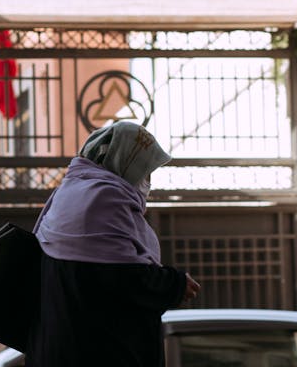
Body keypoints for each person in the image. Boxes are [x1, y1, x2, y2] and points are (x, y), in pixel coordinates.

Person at [26, 121, 200, 367]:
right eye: (145, 170)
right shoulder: (102, 200)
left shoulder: (72, 193)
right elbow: (122, 278)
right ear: (127, 163)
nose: (148, 181)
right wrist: (175, 284)